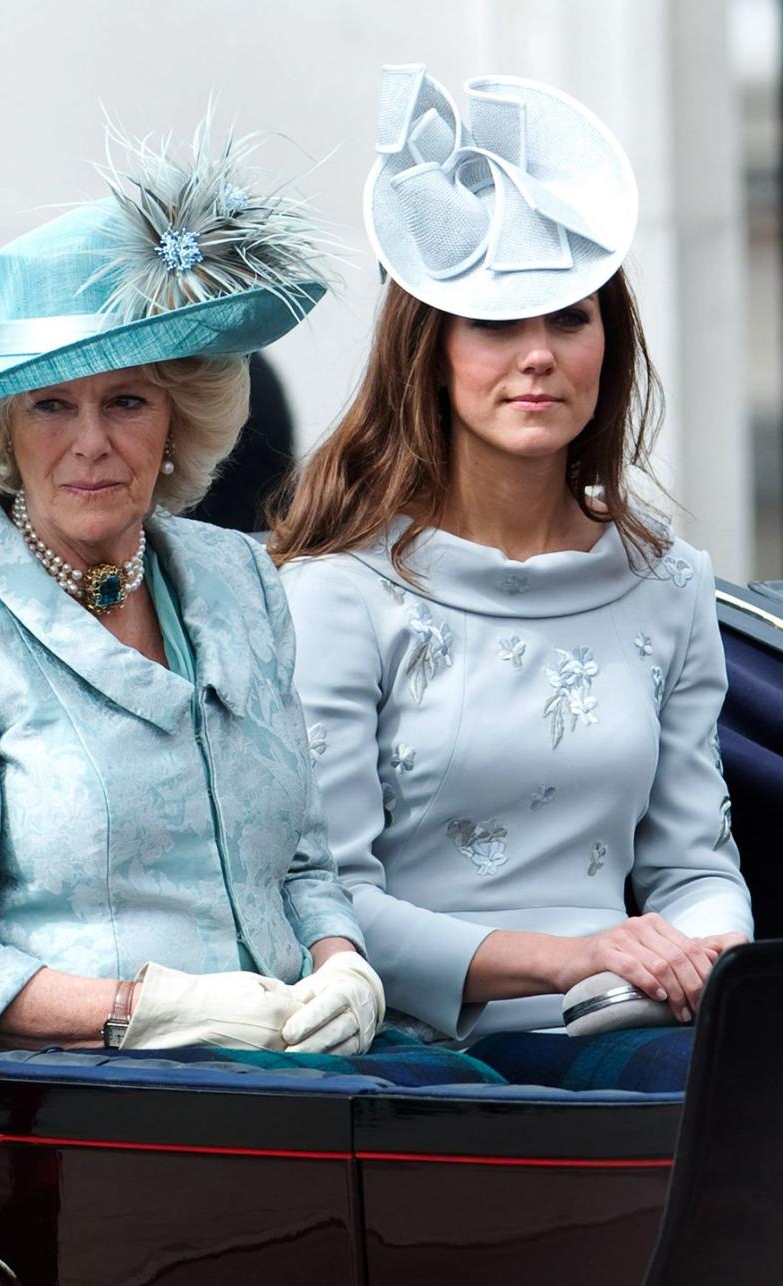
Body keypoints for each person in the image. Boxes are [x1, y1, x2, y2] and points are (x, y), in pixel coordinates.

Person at [0, 117, 383, 1059]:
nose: (91, 440)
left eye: (126, 399)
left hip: (313, 1064)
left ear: (178, 420)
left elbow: (303, 862)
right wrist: (145, 1010)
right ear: (2, 430)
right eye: (52, 404)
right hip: (88, 1102)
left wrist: (344, 964)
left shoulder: (240, 576)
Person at [270, 67, 752, 1047]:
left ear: (607, 344)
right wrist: (573, 957)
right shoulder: (336, 593)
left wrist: (707, 969)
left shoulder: (673, 583)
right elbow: (324, 903)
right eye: (494, 321)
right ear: (428, 351)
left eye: (570, 315)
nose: (538, 353)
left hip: (645, 1029)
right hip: (424, 1063)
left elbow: (695, 864)